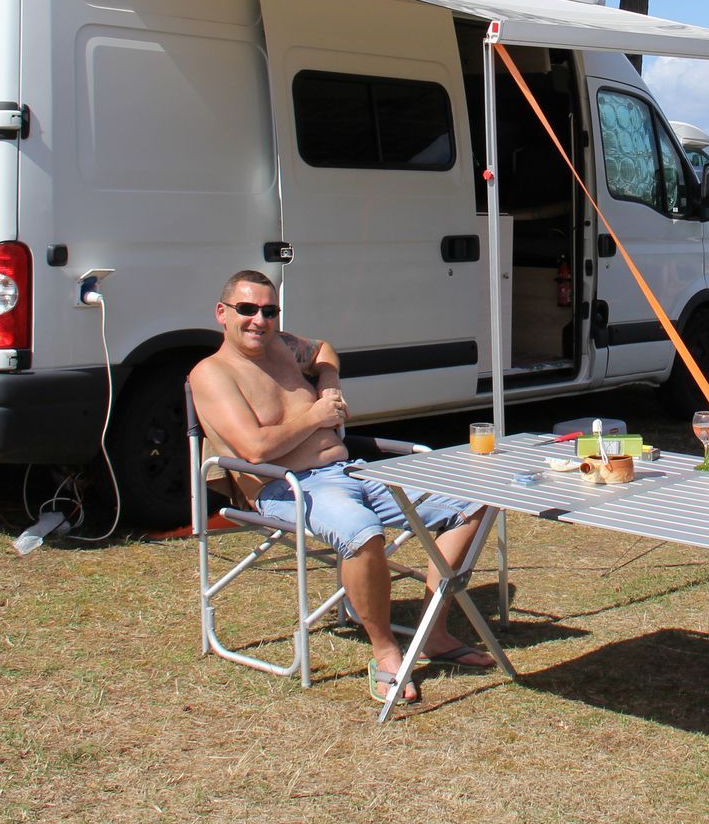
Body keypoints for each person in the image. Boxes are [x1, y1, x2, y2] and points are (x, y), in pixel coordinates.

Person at [187, 270, 493, 705]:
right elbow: (255, 449)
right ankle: (386, 652)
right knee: (362, 530)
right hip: (287, 487)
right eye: (247, 310)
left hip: (352, 471)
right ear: (222, 313)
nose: (259, 320)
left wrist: (328, 384)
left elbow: (325, 350)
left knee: (474, 502)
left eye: (269, 311)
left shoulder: (283, 348)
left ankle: (433, 631)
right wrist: (317, 414)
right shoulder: (213, 373)